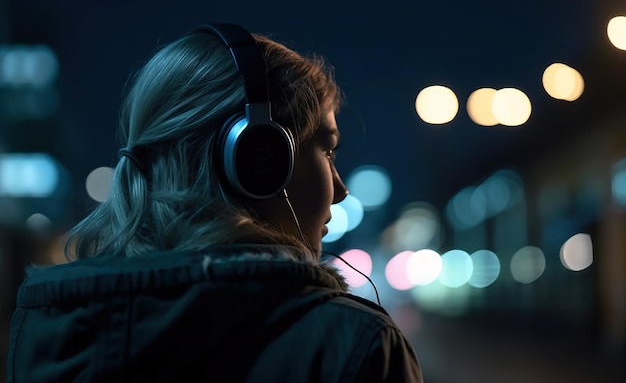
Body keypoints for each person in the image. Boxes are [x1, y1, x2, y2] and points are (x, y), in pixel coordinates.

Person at [7, 24, 423, 382]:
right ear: (261, 160)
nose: (340, 188)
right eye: (327, 152)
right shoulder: (354, 346)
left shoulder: (45, 335)